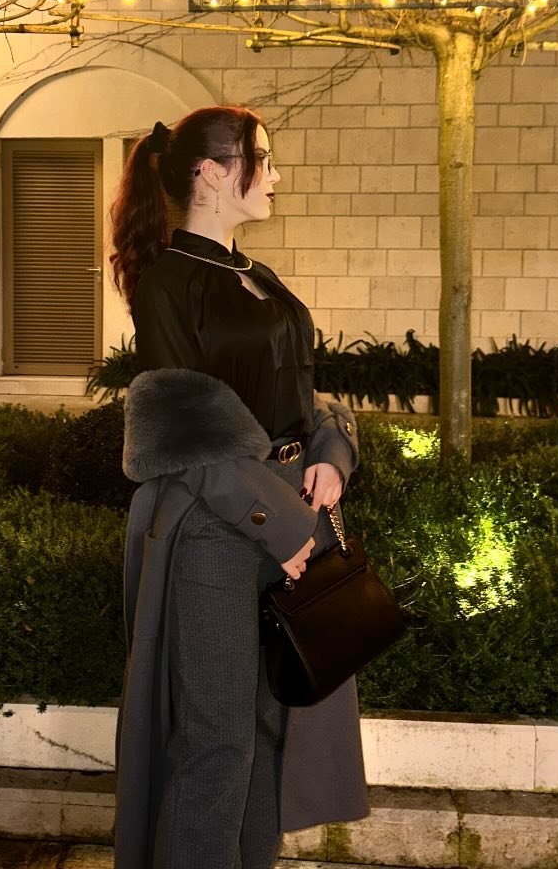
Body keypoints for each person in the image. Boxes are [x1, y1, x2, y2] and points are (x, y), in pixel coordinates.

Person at [110, 105, 369, 869]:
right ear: (212, 173)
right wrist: (279, 524)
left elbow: (304, 396)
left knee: (265, 735)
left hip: (285, 516)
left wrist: (331, 454)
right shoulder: (167, 284)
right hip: (214, 529)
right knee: (216, 743)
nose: (277, 176)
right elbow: (185, 434)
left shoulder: (256, 276)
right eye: (263, 159)